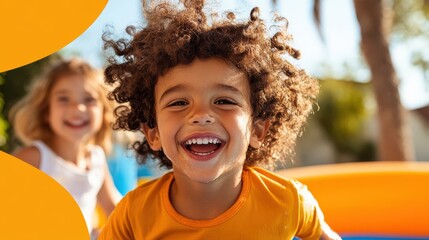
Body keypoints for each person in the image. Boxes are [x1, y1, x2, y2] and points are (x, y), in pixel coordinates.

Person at [99, 0, 341, 239]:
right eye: (179, 103)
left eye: (224, 101)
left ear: (257, 130)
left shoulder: (286, 201)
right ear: (154, 133)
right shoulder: (134, 215)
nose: (201, 115)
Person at [9, 58, 122, 237]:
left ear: (104, 111)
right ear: (47, 111)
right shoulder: (35, 158)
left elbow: (115, 208)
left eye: (89, 99)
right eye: (63, 99)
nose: (77, 107)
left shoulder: (96, 159)